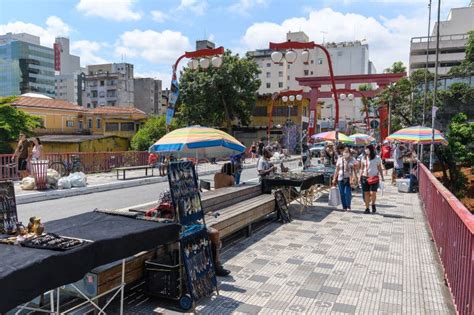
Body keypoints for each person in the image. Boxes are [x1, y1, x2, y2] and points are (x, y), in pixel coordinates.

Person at [360, 144, 384, 213]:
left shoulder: (377, 158)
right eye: (365, 149)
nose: (366, 150)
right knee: (366, 193)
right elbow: (361, 168)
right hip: (365, 177)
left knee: (373, 193)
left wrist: (382, 177)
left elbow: (379, 167)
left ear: (371, 149)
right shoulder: (363, 158)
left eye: (367, 149)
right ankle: (367, 208)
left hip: (374, 178)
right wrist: (359, 177)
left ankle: (373, 204)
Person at [332, 147, 357, 211]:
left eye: (347, 152)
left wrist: (355, 175)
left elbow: (356, 168)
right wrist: (334, 178)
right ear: (342, 152)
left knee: (347, 192)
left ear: (349, 153)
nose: (346, 153)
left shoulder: (352, 159)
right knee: (342, 193)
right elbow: (337, 169)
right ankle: (344, 206)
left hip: (349, 178)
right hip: (340, 178)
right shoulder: (339, 159)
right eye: (344, 152)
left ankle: (348, 206)